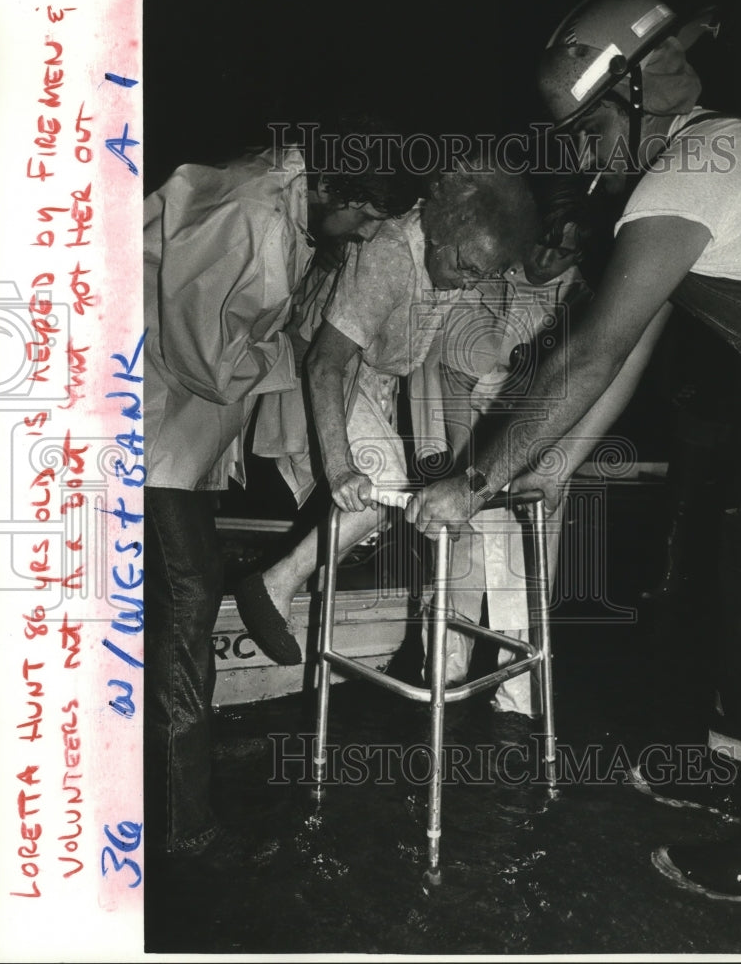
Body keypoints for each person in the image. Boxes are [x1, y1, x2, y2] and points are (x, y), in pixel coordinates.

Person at [405, 0, 741, 901]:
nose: (584, 149)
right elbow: (632, 344)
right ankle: (739, 778)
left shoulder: (691, 170)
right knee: (734, 596)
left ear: (636, 94)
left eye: (591, 124)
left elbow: (591, 351)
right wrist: (552, 468)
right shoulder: (703, 156)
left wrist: (478, 478)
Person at [143, 134, 419, 868]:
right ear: (341, 194)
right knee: (186, 613)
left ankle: (175, 792)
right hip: (149, 433)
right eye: (363, 222)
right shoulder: (256, 211)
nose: (364, 238)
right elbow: (205, 358)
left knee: (178, 617)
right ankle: (185, 826)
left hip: (179, 444)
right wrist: (297, 351)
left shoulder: (279, 200)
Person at [235, 163, 542, 658]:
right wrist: (340, 467)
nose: (466, 284)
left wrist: (459, 474)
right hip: (318, 368)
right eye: (466, 269)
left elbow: (432, 371)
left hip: (370, 377)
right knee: (382, 488)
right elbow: (324, 365)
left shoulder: (450, 260)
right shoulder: (393, 257)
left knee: (381, 499)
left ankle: (281, 583)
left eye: (480, 277)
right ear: (443, 233)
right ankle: (272, 585)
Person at [422, 175, 594, 714]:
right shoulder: (492, 273)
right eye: (543, 243)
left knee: (525, 570)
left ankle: (518, 698)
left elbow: (585, 384)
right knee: (458, 561)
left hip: (538, 447)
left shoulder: (586, 295)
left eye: (566, 251)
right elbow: (449, 372)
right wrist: (461, 460)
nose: (548, 259)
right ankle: (442, 676)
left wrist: (554, 459)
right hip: (471, 435)